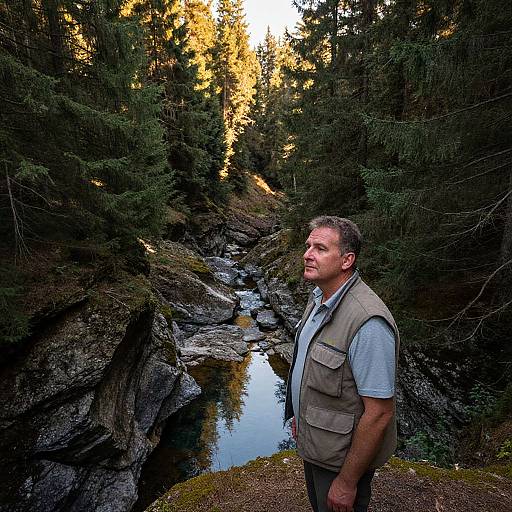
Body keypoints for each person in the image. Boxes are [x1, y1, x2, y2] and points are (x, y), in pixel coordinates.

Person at [284, 216, 399, 512]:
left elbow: (379, 413)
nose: (307, 254)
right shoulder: (320, 298)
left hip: (341, 459)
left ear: (347, 260)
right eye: (308, 246)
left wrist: (347, 482)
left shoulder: (367, 322)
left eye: (320, 248)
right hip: (319, 443)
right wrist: (299, 413)